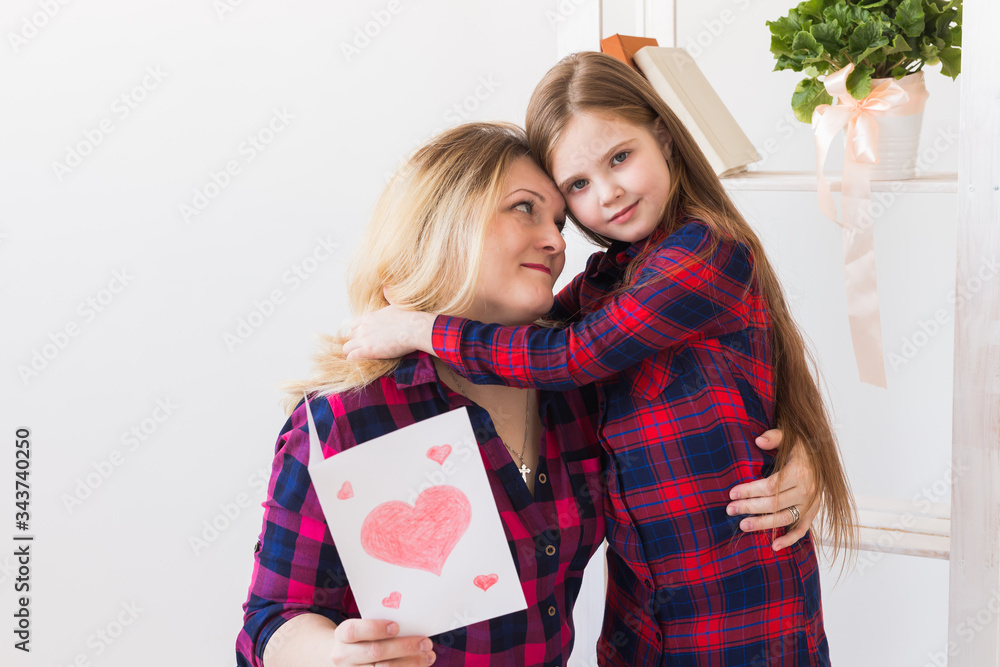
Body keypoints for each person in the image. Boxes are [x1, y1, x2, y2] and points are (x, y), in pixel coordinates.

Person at [237, 121, 818, 667]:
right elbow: (271, 621)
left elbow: (714, 398)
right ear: (444, 220)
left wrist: (795, 452)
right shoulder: (349, 418)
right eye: (525, 209)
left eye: (561, 223)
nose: (556, 243)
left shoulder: (579, 391)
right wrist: (327, 654)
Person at [343, 52, 857, 666]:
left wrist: (420, 327)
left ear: (662, 136)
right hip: (645, 617)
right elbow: (528, 331)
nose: (607, 194)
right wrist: (412, 307)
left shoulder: (702, 251)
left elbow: (567, 355)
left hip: (743, 610)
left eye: (620, 158)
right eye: (577, 187)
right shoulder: (604, 280)